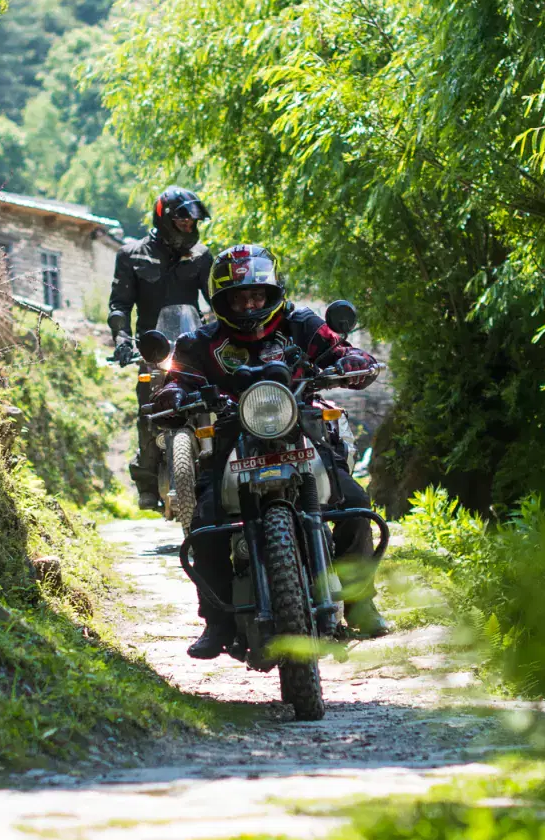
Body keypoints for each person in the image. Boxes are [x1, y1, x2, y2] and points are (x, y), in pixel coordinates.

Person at [154, 243, 391, 657]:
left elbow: (340, 349)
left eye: (258, 294)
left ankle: (361, 602)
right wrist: (172, 395)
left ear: (272, 293)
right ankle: (217, 620)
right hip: (232, 436)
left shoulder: (301, 323)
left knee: (353, 503)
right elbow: (176, 378)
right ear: (222, 300)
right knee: (206, 523)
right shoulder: (200, 342)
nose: (250, 303)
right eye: (240, 296)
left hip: (300, 424)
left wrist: (353, 361)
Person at [108, 187, 214, 508]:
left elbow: (217, 301)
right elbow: (120, 306)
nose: (188, 226)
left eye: (192, 221)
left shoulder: (201, 256)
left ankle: (221, 464)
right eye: (182, 220)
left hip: (192, 349)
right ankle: (148, 482)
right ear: (165, 217)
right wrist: (122, 339)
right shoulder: (131, 255)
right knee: (148, 412)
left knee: (219, 402)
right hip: (152, 353)